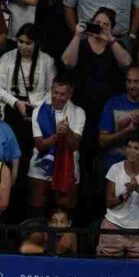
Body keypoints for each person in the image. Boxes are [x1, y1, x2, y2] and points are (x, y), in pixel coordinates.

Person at [59, 7, 131, 135]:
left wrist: (110, 39)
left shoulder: (115, 45)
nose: (101, 27)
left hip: (108, 103)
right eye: (97, 23)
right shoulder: (81, 44)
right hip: (82, 102)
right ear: (91, 23)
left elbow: (126, 63)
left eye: (106, 24)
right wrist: (77, 35)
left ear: (112, 28)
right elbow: (67, 63)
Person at [98, 134, 139, 258]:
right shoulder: (115, 169)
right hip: (114, 227)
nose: (131, 151)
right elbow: (109, 202)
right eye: (129, 147)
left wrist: (138, 189)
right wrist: (124, 196)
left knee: (137, 272)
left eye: (136, 148)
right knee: (107, 270)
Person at [28, 77, 85, 214]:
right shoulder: (38, 112)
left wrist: (68, 131)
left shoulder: (78, 113)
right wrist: (57, 136)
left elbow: (75, 145)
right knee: (37, 207)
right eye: (55, 92)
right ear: (51, 91)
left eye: (62, 94)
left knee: (64, 210)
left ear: (70, 94)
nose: (57, 97)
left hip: (68, 162)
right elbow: (40, 145)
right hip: (41, 162)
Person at [0, 23, 59, 123]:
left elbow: (52, 90)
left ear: (36, 43)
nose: (23, 46)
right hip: (11, 103)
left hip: (37, 106)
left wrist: (37, 105)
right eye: (20, 41)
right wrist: (15, 102)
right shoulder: (7, 57)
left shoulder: (47, 60)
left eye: (28, 43)